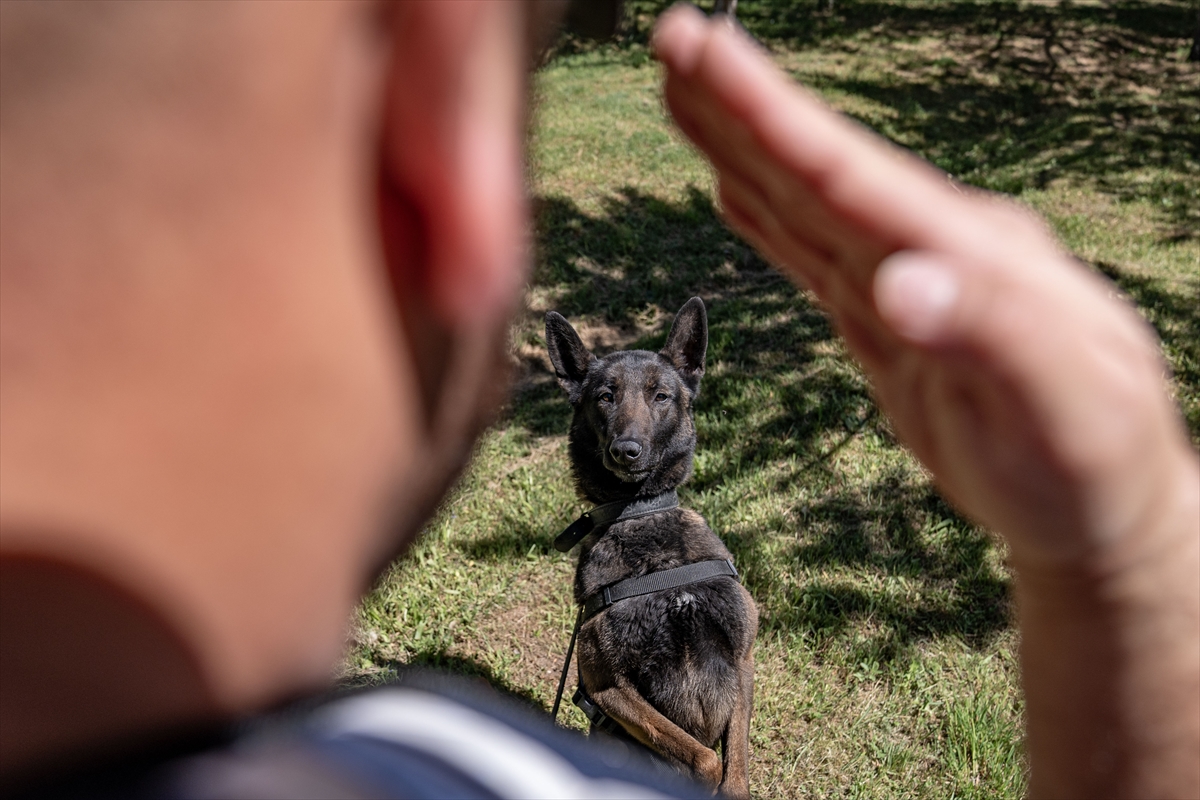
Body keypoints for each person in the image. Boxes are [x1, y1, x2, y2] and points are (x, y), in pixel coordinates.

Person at [0, 1, 1194, 798]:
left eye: (653, 401)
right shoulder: (451, 760)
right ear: (445, 133)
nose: (627, 423)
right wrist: (1122, 567)